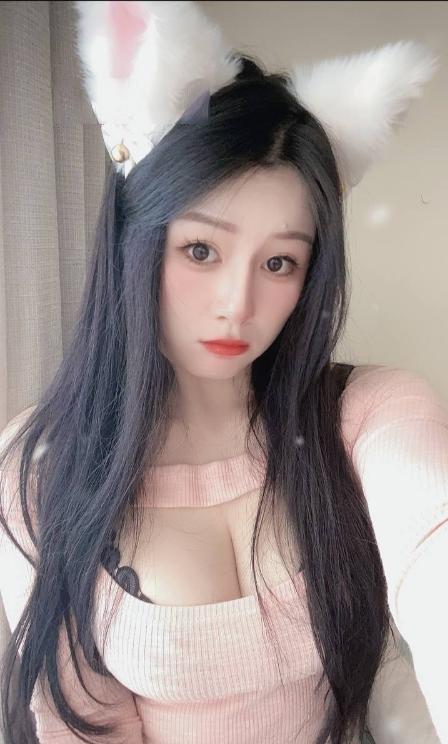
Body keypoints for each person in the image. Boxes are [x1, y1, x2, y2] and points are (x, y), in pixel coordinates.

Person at [0, 2, 446, 743]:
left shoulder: (369, 413)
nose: (237, 305)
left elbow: (434, 554)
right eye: (201, 250)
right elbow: (84, 726)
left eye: (280, 262)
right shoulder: (40, 470)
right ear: (137, 243)